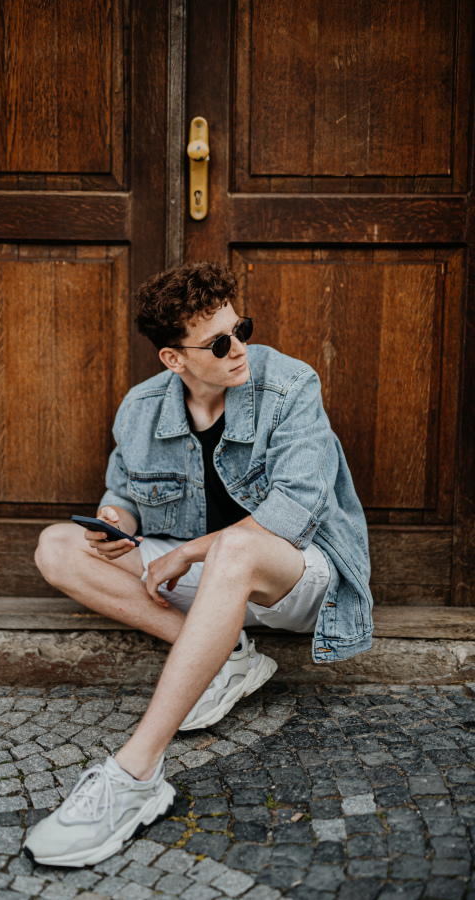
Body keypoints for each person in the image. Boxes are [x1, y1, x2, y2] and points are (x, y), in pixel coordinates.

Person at [24, 260, 372, 867]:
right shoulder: (141, 408)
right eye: (218, 342)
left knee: (236, 546)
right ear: (172, 359)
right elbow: (124, 494)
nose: (239, 349)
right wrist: (116, 524)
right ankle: (226, 658)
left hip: (296, 582)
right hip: (207, 588)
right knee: (57, 546)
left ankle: (134, 775)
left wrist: (186, 552)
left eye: (242, 329)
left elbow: (293, 511)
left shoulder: (290, 384)